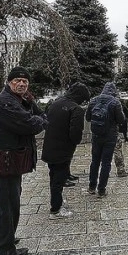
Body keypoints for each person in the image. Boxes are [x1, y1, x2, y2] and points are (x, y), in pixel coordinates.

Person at [0, 66, 47, 255]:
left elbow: (40, 116)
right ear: (9, 82)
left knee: (9, 201)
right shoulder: (4, 102)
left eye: (25, 81)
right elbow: (30, 124)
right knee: (9, 204)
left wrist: (36, 117)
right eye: (17, 81)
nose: (21, 84)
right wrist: (37, 120)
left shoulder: (22, 100)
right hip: (6, 159)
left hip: (12, 158)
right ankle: (4, 250)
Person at [41, 83, 90, 220]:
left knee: (53, 177)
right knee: (59, 180)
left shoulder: (55, 103)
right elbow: (75, 135)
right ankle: (55, 209)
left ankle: (57, 201)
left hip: (50, 147)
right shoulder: (76, 109)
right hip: (63, 150)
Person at [85, 82, 125, 197]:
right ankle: (101, 190)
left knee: (95, 161)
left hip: (96, 135)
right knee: (106, 163)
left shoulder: (93, 100)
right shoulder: (115, 102)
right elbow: (121, 120)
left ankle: (91, 187)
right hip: (110, 136)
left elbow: (87, 118)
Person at [113, 103, 128, 177]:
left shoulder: (95, 102)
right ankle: (120, 171)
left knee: (98, 155)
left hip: (98, 133)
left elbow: (88, 117)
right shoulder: (116, 104)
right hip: (112, 132)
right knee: (117, 151)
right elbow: (122, 118)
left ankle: (95, 174)